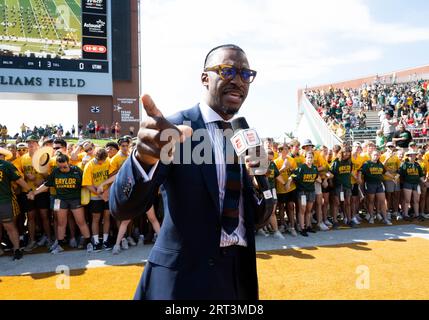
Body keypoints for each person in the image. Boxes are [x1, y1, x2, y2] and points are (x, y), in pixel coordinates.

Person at [109, 44, 270, 300]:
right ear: (205, 78)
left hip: (237, 277)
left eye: (245, 74)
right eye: (228, 71)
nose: (238, 81)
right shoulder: (174, 128)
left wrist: (261, 178)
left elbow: (255, 217)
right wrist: (143, 158)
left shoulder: (243, 135)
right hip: (183, 282)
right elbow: (123, 207)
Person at [30, 154, 93, 254]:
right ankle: (59, 245)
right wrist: (35, 192)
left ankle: (89, 242)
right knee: (61, 223)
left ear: (69, 163)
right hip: (59, 199)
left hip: (75, 199)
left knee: (81, 221)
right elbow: (46, 185)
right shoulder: (55, 171)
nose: (62, 169)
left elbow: (86, 183)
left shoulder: (76, 170)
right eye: (60, 166)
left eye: (64, 166)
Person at [0, 148, 32, 260]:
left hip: (4, 200)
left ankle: (16, 248)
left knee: (9, 226)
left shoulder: (6, 165)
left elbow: (18, 180)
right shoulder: (7, 165)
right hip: (4, 201)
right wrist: (30, 190)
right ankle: (16, 249)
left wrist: (29, 190)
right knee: (9, 226)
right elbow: (19, 180)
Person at [82, 148, 111, 251]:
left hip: (107, 195)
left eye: (102, 161)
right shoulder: (89, 165)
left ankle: (106, 240)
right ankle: (96, 241)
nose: (101, 163)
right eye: (99, 161)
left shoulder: (108, 162)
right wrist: (99, 194)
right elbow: (87, 184)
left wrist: (105, 194)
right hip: (95, 196)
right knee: (96, 218)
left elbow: (112, 178)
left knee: (107, 217)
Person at [360, 150, 392, 225]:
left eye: (377, 155)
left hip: (379, 184)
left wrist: (393, 177)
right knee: (371, 201)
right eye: (374, 155)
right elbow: (360, 172)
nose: (376, 156)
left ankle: (385, 218)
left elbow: (385, 172)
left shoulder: (380, 164)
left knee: (382, 201)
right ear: (371, 155)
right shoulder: (366, 163)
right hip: (370, 184)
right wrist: (359, 180)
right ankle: (371, 217)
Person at [293, 151, 321, 236]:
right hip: (302, 192)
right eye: (308, 157)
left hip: (311, 191)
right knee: (302, 210)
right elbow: (294, 177)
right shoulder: (301, 167)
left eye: (311, 157)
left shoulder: (315, 168)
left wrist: (322, 180)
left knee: (309, 210)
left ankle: (308, 226)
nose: (310, 159)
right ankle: (302, 228)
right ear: (305, 158)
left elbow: (317, 177)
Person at [399, 150, 425, 221]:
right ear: (408, 156)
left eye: (414, 155)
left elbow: (421, 175)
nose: (412, 156)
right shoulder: (404, 164)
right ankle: (405, 214)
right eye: (411, 155)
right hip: (407, 183)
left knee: (416, 200)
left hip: (416, 184)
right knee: (407, 200)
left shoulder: (417, 164)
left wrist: (424, 182)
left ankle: (417, 215)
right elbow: (400, 174)